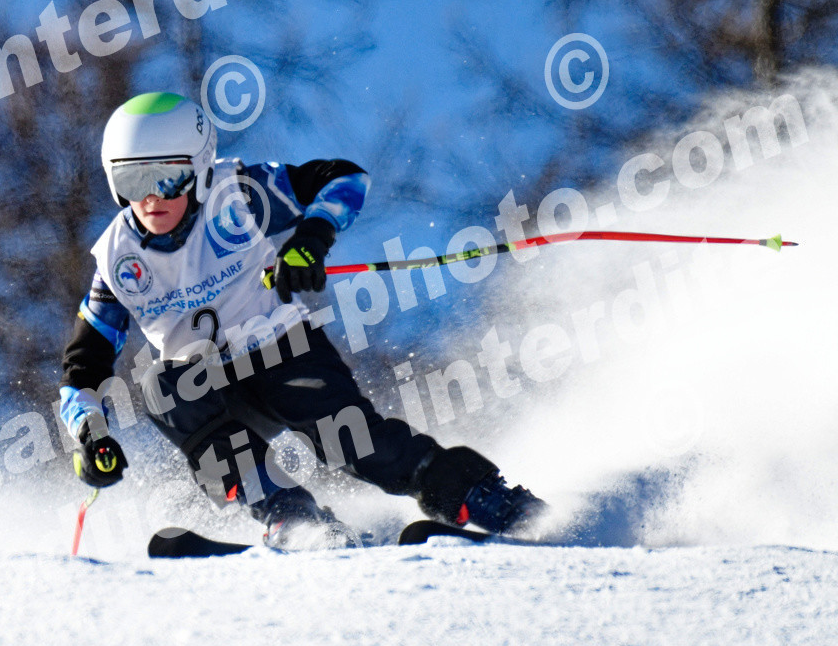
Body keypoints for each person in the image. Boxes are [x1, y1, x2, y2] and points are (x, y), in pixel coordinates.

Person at [59, 91, 545, 548]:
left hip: (282, 354)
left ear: (201, 169)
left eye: (166, 179)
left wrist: (311, 238)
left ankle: (485, 497)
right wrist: (89, 433)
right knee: (161, 388)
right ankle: (290, 515)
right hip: (210, 388)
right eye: (132, 182)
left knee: (355, 443)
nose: (150, 199)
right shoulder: (118, 261)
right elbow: (83, 366)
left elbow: (344, 178)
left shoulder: (241, 196)